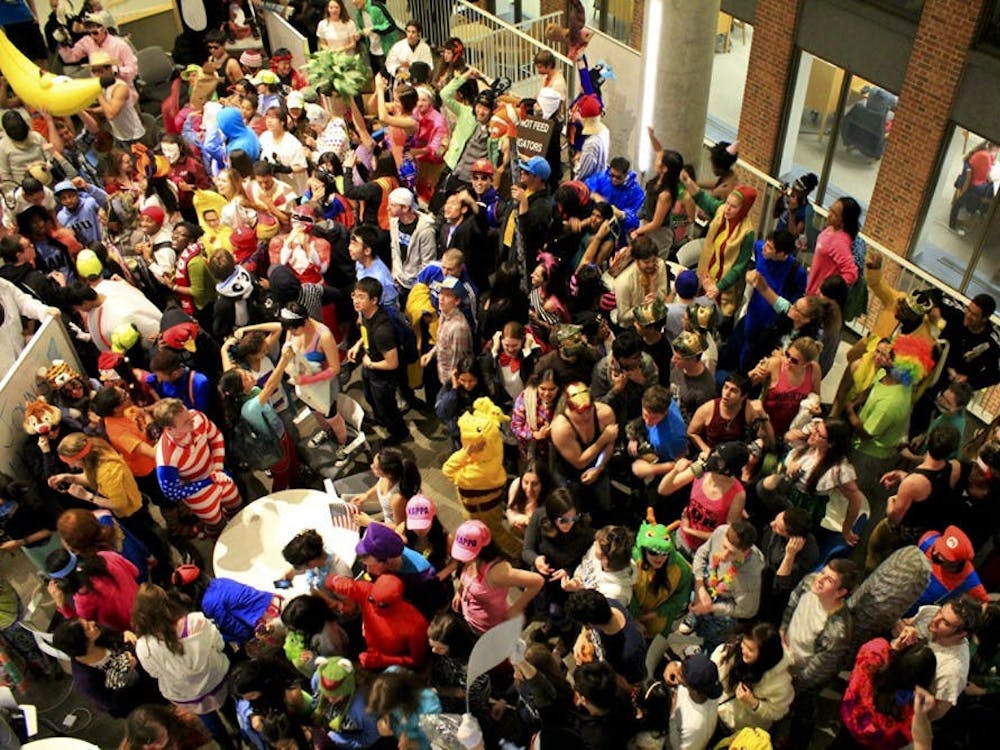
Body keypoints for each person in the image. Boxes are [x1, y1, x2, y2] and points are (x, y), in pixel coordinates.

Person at [131, 583, 234, 745]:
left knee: (209, 719)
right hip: (216, 678)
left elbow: (154, 673)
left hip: (186, 694)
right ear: (166, 602)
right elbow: (219, 644)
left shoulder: (143, 646)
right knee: (228, 706)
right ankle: (238, 728)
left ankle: (225, 743)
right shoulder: (195, 621)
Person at [152, 398, 241, 536]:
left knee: (237, 507)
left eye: (188, 415)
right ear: (169, 429)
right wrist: (209, 481)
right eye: (186, 422)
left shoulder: (196, 417)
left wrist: (217, 467)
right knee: (218, 527)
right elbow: (172, 493)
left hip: (218, 476)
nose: (192, 420)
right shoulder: (166, 459)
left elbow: (216, 436)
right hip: (199, 496)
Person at [835, 637, 937, 749]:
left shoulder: (870, 664)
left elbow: (876, 645)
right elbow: (919, 740)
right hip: (874, 746)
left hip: (849, 724)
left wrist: (893, 648)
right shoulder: (912, 712)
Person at [51, 617, 164, 718]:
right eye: (88, 628)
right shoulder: (86, 679)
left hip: (151, 678)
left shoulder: (101, 634)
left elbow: (120, 639)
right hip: (140, 702)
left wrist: (126, 635)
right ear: (81, 642)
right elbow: (114, 705)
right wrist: (125, 676)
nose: (93, 623)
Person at [681, 521, 764, 653]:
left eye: (732, 553)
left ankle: (704, 647)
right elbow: (701, 555)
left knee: (716, 634)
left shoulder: (750, 575)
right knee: (695, 598)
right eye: (724, 547)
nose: (724, 556)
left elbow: (747, 610)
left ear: (746, 551)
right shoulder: (720, 531)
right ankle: (694, 617)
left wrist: (712, 607)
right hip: (709, 582)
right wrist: (700, 587)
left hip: (725, 603)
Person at [891, 597, 979, 721]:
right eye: (940, 612)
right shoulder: (932, 613)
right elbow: (898, 627)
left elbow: (933, 714)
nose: (935, 619)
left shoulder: (953, 670)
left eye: (946, 623)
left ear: (961, 634)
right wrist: (905, 630)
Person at [347, 277, 410, 445]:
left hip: (382, 375)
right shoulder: (365, 313)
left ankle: (399, 433)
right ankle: (382, 420)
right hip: (370, 367)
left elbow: (392, 363)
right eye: (355, 295)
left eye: (361, 297)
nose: (356, 300)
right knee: (370, 398)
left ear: (374, 300)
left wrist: (370, 364)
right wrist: (358, 344)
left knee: (387, 407)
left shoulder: (383, 330)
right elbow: (365, 330)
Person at [451, 520, 544, 634]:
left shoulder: (497, 572)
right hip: (471, 618)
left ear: (482, 548)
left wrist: (516, 608)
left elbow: (537, 581)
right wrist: (460, 591)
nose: (462, 558)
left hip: (490, 626)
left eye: (468, 553)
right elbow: (467, 577)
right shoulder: (469, 560)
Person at [654, 444, 748, 558]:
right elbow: (664, 489)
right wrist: (675, 470)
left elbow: (727, 534)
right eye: (714, 453)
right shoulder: (701, 471)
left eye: (719, 460)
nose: (713, 459)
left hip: (702, 551)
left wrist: (690, 531)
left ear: (728, 470)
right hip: (681, 537)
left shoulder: (737, 494)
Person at [549, 381, 618, 522]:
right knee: (572, 512)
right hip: (568, 473)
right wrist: (603, 438)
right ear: (569, 408)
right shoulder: (561, 428)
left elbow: (610, 443)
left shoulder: (604, 413)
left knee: (605, 505)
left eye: (589, 410)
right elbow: (579, 462)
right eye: (580, 413)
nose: (586, 416)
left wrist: (598, 467)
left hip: (597, 465)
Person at [711, 623, 794, 733]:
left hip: (742, 728)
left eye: (750, 649)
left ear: (765, 655)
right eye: (744, 643)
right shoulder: (731, 651)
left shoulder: (780, 684)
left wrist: (754, 704)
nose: (743, 650)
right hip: (717, 709)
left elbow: (777, 712)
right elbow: (714, 668)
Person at [45, 547, 139, 632]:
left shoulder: (83, 597)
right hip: (148, 605)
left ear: (64, 581)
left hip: (134, 630)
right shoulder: (105, 555)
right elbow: (135, 572)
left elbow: (83, 628)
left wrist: (62, 606)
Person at [58, 11, 138, 91]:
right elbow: (70, 58)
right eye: (89, 33)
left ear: (103, 29)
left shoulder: (119, 45)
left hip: (122, 88)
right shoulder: (87, 42)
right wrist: (63, 44)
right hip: (100, 89)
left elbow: (133, 70)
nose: (92, 36)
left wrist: (114, 70)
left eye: (95, 33)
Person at [807, 196, 861, 296]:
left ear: (843, 221)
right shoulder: (830, 229)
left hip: (819, 299)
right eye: (830, 210)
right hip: (811, 289)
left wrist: (828, 289)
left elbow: (851, 274)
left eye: (835, 214)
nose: (829, 215)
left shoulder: (840, 241)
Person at [614, 237, 669, 328]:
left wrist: (654, 289)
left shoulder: (659, 265)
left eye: (654, 260)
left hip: (655, 317)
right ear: (636, 260)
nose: (651, 265)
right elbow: (622, 316)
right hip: (633, 326)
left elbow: (663, 294)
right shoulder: (623, 282)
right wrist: (643, 307)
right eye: (646, 262)